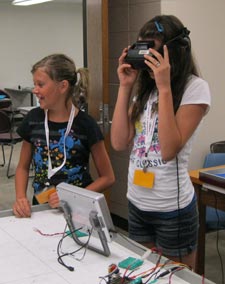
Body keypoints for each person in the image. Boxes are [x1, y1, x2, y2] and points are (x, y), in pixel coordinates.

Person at [111, 15, 211, 270]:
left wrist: (165, 89)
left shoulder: (195, 88)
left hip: (172, 209)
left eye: (152, 49)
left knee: (174, 277)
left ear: (172, 52)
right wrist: (125, 87)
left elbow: (168, 150)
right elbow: (119, 142)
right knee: (144, 274)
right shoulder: (145, 88)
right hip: (137, 201)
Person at [13, 53, 115, 218]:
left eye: (40, 84)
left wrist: (71, 198)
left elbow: (108, 177)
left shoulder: (86, 124)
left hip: (78, 211)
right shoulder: (33, 119)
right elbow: (22, 167)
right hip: (40, 209)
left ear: (62, 86)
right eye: (34, 84)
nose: (35, 90)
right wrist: (20, 197)